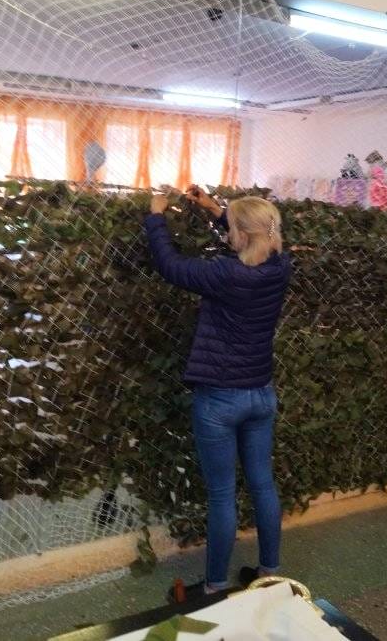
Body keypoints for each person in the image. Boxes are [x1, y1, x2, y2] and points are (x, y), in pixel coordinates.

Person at [144, 185, 291, 593]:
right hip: (261, 394)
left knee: (223, 495)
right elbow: (248, 238)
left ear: (240, 235)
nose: (226, 234)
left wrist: (156, 216)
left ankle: (213, 587)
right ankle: (269, 573)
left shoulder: (225, 275)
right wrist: (215, 210)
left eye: (230, 228)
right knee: (262, 483)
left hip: (220, 399)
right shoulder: (281, 265)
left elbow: (171, 266)